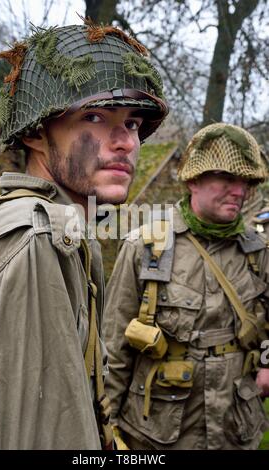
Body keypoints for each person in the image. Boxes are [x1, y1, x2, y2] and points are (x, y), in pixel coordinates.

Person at [0, 22, 168, 449]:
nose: (125, 143)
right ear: (35, 133)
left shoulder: (63, 230)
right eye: (95, 117)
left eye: (133, 124)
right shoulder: (35, 237)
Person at [104, 123, 269, 450]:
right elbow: (114, 347)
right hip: (158, 433)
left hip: (235, 428)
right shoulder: (146, 247)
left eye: (245, 182)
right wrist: (105, 429)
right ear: (194, 180)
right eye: (227, 179)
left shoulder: (259, 252)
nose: (239, 191)